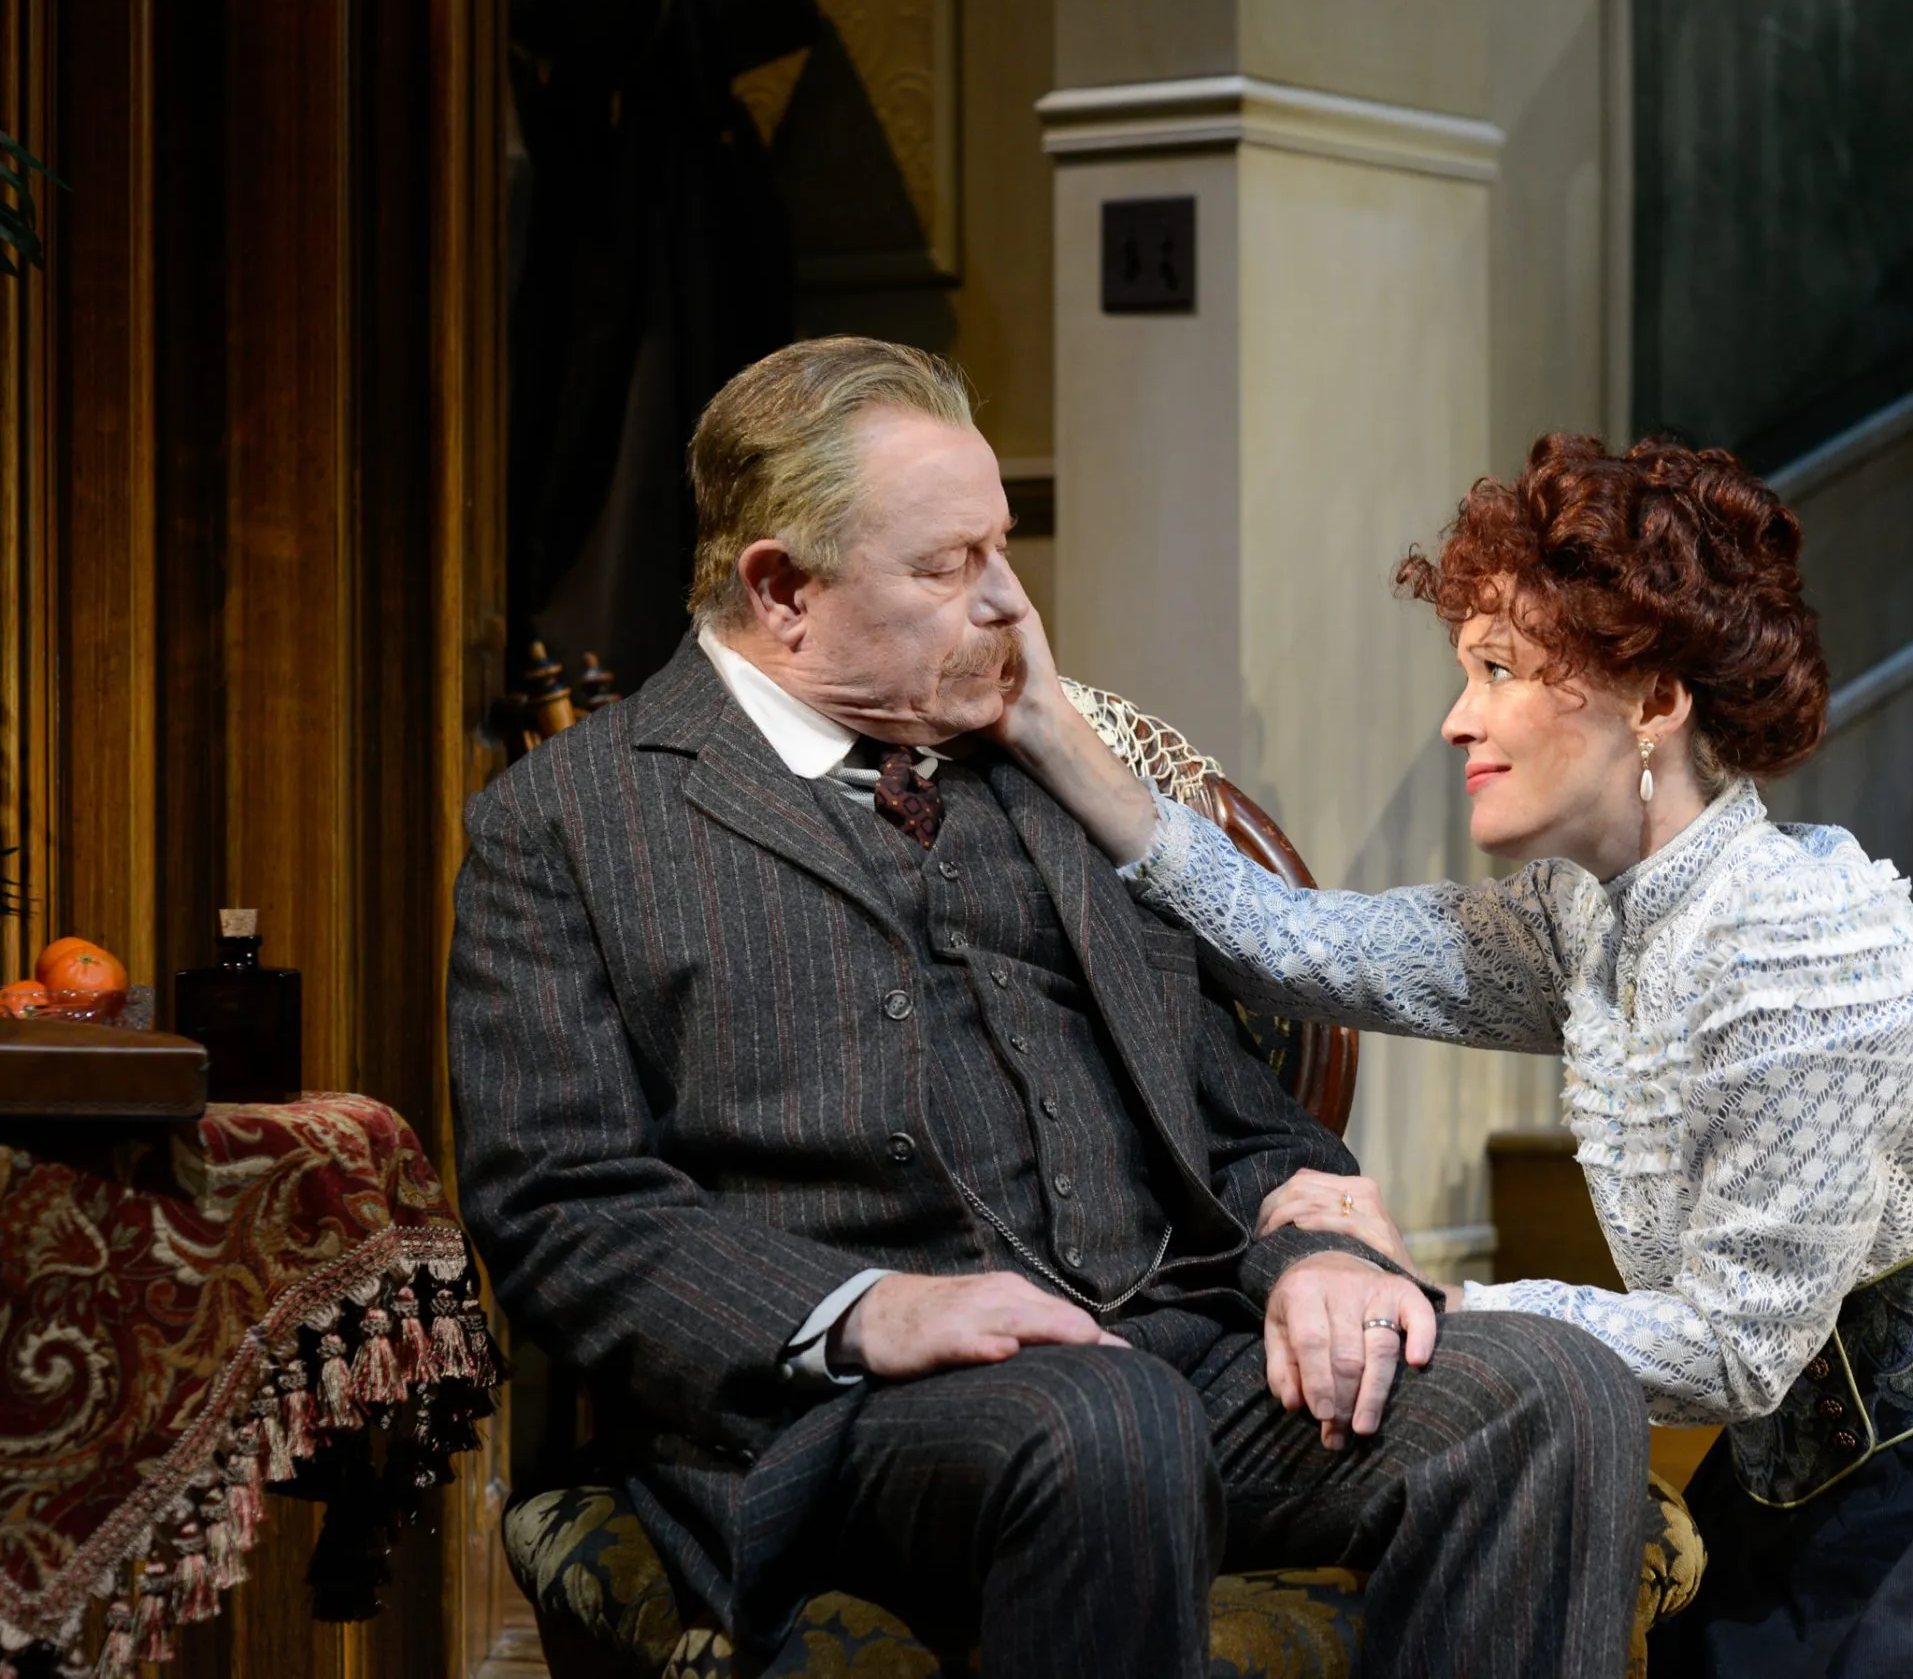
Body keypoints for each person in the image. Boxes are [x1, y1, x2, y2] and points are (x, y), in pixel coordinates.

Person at [996, 430, 1913, 1676]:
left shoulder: (1798, 946)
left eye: (1501, 667)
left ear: (1652, 698)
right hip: (1812, 1488)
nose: (1457, 718)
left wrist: (1428, 1302)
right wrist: (1051, 727)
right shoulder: (1587, 916)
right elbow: (1290, 941)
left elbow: (1738, 1347)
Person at [446, 339, 1651, 1679]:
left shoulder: (1043, 775)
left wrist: (1318, 1242)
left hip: (1180, 1354)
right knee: (1102, 1424)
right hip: (856, 1418)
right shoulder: (566, 826)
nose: (1011, 605)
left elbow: (1241, 1113)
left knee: (1551, 1389)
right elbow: (560, 1204)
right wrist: (864, 1309)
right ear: (782, 588)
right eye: (947, 566)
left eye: (1002, 549)